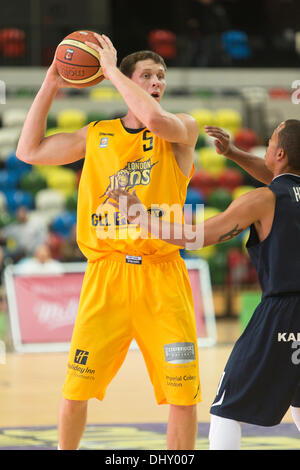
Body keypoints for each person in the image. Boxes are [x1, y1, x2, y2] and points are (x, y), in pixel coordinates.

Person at [16, 33, 201, 450]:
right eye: (148, 75)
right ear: (131, 82)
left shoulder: (181, 129)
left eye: (161, 76)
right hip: (106, 278)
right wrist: (51, 83)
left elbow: (154, 120)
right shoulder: (96, 135)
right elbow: (28, 151)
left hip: (161, 278)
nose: (157, 82)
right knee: (76, 389)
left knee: (182, 394)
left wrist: (112, 69)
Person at [107, 120, 300, 450]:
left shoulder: (262, 200)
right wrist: (234, 153)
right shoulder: (279, 192)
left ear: (279, 152)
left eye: (269, 142)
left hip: (282, 312)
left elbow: (198, 237)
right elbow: (282, 179)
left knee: (226, 410)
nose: (265, 146)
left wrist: (139, 215)